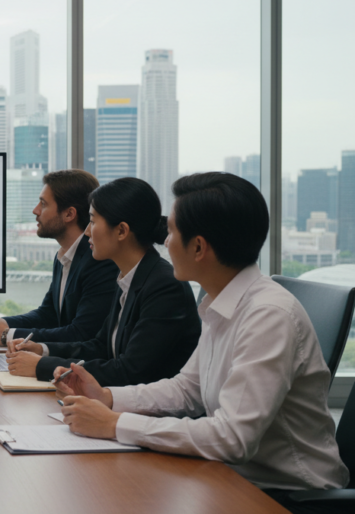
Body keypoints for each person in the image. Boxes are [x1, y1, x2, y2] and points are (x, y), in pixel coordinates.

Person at [55, 173, 349, 514]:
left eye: (173, 232)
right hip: (233, 478)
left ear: (198, 247)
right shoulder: (220, 301)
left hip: (287, 496)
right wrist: (107, 398)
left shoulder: (268, 316)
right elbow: (187, 390)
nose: (165, 241)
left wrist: (115, 424)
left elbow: (232, 438)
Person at [6, 177, 201, 386]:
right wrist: (42, 349)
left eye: (92, 221)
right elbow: (100, 346)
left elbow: (130, 371)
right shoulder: (130, 276)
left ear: (121, 231)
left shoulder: (164, 286)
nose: (87, 231)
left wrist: (41, 366)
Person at [0, 170, 119, 346]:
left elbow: (81, 333)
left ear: (69, 214)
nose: (35, 210)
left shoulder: (98, 261)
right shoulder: (64, 256)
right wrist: (2, 324)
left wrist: (5, 335)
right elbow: (48, 314)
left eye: (43, 204)